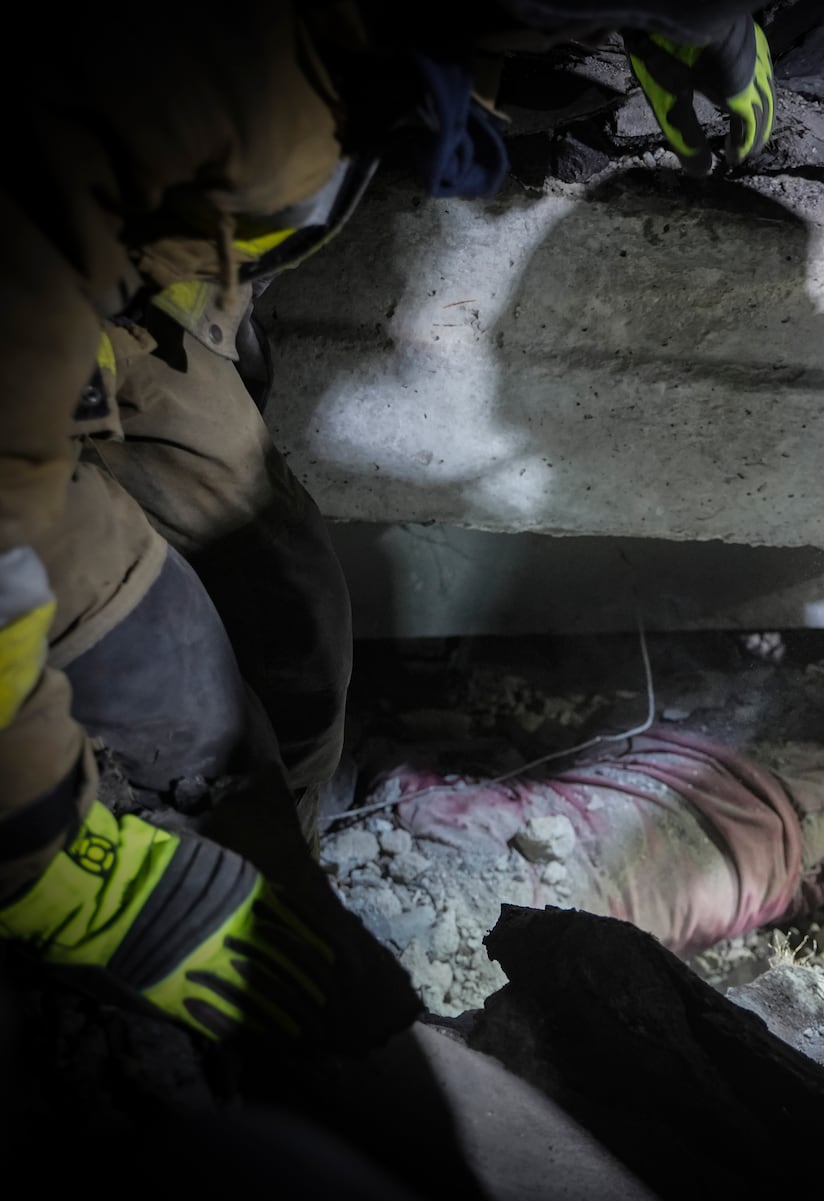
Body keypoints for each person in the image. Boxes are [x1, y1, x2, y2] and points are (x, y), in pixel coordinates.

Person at [0, 0, 775, 1044]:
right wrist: (45, 857)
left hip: (120, 315)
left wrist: (690, 23)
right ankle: (186, 984)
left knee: (293, 617)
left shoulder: (372, 46)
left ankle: (281, 874)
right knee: (184, 714)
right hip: (27, 359)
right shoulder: (186, 71)